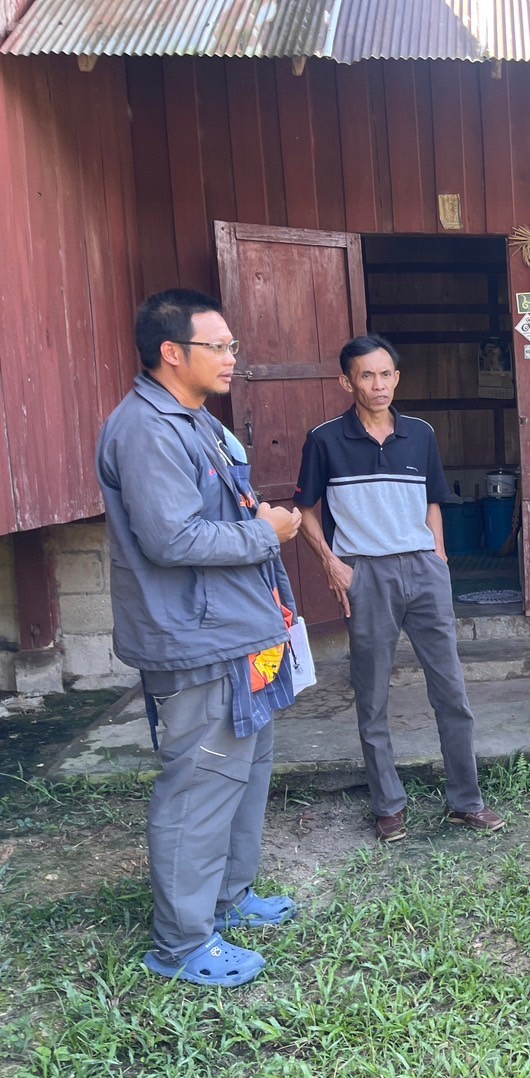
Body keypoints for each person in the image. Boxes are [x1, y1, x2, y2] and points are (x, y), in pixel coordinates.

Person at [98, 288, 303, 986]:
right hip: (197, 639)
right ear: (171, 352)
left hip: (240, 630)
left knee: (243, 770)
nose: (231, 358)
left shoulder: (196, 422)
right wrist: (265, 531)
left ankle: (227, 898)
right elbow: (169, 537)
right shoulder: (148, 428)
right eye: (218, 346)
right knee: (200, 781)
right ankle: (183, 942)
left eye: (232, 346)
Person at [294, 334, 504, 843]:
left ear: (397, 378)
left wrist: (438, 556)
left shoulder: (421, 434)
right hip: (365, 573)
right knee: (372, 694)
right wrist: (331, 564)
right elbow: (303, 508)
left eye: (386, 374)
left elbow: (435, 497)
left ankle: (465, 801)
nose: (378, 384)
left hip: (422, 571)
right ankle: (388, 804)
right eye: (366, 375)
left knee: (451, 691)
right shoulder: (325, 439)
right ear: (347, 381)